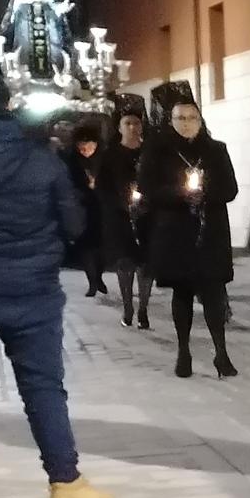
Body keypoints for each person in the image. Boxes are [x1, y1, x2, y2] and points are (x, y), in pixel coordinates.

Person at [0, 72, 112, 498]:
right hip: (33, 293)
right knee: (42, 388)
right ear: (7, 104)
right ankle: (65, 484)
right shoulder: (44, 160)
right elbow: (75, 225)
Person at [140, 89, 240, 379]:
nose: (186, 123)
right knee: (182, 291)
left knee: (214, 294)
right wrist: (179, 195)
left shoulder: (216, 150)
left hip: (211, 232)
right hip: (176, 231)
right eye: (181, 118)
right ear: (171, 120)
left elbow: (231, 189)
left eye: (192, 117)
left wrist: (205, 194)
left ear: (200, 120)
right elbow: (147, 186)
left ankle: (221, 353)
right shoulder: (158, 150)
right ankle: (183, 352)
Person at [97, 100, 151, 329]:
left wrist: (148, 203)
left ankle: (143, 309)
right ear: (119, 127)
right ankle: (128, 306)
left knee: (145, 264)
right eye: (127, 123)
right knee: (125, 263)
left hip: (147, 216)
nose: (132, 127)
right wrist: (120, 204)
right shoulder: (110, 155)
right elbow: (102, 187)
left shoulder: (149, 152)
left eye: (136, 123)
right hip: (119, 217)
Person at [60, 120, 107, 298]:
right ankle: (92, 281)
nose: (85, 148)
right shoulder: (71, 160)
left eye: (88, 145)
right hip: (82, 208)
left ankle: (99, 275)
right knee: (86, 247)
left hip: (102, 207)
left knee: (102, 246)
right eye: (81, 145)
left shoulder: (104, 159)